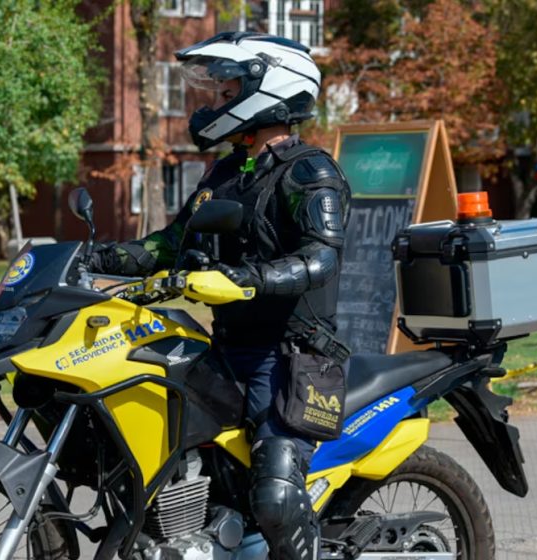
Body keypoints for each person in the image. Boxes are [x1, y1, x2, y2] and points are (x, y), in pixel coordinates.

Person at [90, 32, 351, 560]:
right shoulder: (229, 170)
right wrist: (95, 257)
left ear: (270, 87)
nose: (215, 103)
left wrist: (243, 280)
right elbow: (173, 242)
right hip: (229, 350)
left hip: (291, 360)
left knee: (276, 496)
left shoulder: (310, 171)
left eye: (227, 90)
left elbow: (322, 259)